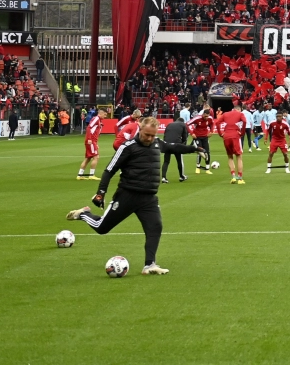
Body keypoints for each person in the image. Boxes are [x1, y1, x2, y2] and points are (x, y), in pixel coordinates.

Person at [65, 117, 204, 275]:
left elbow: (174, 147)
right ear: (140, 129)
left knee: (155, 227)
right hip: (127, 195)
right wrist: (100, 193)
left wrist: (195, 149)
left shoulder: (157, 143)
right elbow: (109, 170)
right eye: (147, 135)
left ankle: (149, 265)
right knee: (101, 228)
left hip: (149, 198)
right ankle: (83, 214)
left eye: (153, 135)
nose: (150, 139)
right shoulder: (128, 147)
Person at [217, 102, 248, 184]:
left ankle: (233, 177)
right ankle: (240, 178)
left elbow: (217, 122)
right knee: (239, 157)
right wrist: (242, 132)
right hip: (235, 135)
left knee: (230, 157)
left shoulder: (225, 114)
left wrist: (221, 133)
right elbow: (245, 121)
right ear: (238, 109)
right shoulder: (240, 114)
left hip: (226, 136)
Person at [78, 108, 108, 180]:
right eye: (105, 114)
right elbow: (89, 127)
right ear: (100, 113)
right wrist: (89, 139)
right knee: (96, 157)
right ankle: (91, 175)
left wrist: (95, 143)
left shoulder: (99, 120)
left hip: (92, 141)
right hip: (91, 141)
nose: (105, 116)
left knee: (88, 158)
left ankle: (80, 175)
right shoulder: (96, 119)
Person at [161, 115, 190, 183]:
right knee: (179, 161)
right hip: (177, 144)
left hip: (167, 144)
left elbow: (165, 135)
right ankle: (181, 176)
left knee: (166, 161)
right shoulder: (183, 125)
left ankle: (163, 178)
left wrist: (165, 144)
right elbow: (185, 137)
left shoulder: (169, 124)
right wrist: (183, 146)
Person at [188, 107, 215, 174]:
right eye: (205, 116)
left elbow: (212, 124)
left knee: (207, 152)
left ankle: (207, 168)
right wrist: (191, 133)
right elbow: (186, 124)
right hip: (197, 137)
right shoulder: (197, 118)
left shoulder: (210, 118)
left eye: (207, 116)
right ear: (203, 114)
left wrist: (211, 131)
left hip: (205, 137)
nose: (206, 118)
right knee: (200, 152)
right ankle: (198, 167)